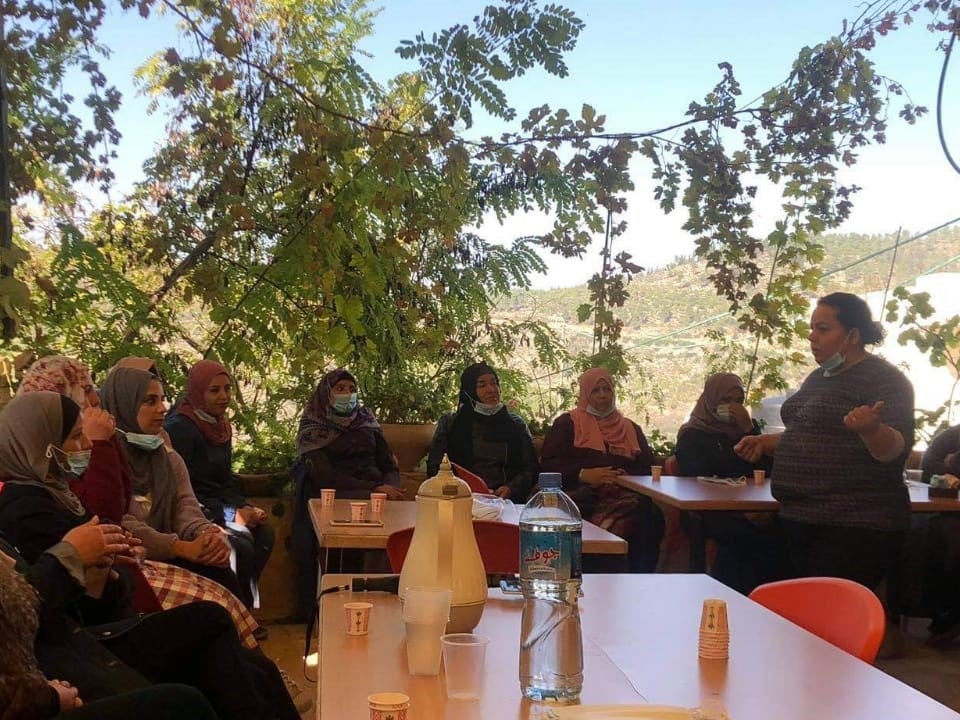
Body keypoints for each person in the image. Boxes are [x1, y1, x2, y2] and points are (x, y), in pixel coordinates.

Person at [735, 292, 914, 590]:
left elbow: (895, 449)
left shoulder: (884, 380)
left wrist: (872, 429)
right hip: (801, 518)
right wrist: (768, 443)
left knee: (828, 624)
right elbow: (812, 430)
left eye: (823, 329)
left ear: (853, 334)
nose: (812, 337)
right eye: (812, 328)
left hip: (852, 524)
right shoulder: (820, 377)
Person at [98, 366, 245, 602]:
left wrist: (206, 534)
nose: (162, 409)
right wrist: (177, 546)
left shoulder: (165, 456)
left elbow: (185, 506)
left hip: (172, 550)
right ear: (123, 404)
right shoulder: (104, 458)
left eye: (163, 400)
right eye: (149, 401)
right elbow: (121, 522)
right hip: (132, 559)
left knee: (221, 567)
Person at [287, 367, 402, 622]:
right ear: (326, 394)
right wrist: (372, 490)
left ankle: (380, 607)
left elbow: (388, 463)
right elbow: (325, 477)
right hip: (333, 497)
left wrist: (390, 488)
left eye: (351, 389)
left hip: (376, 499)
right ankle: (331, 610)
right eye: (340, 389)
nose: (347, 394)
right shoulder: (313, 426)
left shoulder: (366, 422)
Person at [165, 360, 275, 614]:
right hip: (197, 513)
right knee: (241, 547)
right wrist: (230, 515)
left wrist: (244, 507)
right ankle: (236, 612)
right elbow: (186, 492)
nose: (224, 396)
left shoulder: (220, 426)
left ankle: (244, 608)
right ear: (198, 392)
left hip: (219, 506)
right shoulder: (181, 428)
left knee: (265, 534)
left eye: (227, 389)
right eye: (214, 391)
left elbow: (225, 479)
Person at [539, 367, 665, 572]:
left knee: (650, 519)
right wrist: (583, 475)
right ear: (585, 394)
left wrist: (626, 478)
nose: (602, 395)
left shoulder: (630, 428)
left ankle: (637, 584)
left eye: (607, 389)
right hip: (581, 496)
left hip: (625, 500)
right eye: (595, 391)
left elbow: (646, 467)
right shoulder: (567, 424)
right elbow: (549, 465)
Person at [675, 373, 784, 593]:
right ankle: (728, 597)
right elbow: (697, 476)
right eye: (726, 401)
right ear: (711, 400)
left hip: (749, 507)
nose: (732, 407)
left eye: (738, 401)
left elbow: (764, 470)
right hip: (711, 511)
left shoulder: (747, 434)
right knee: (741, 537)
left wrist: (747, 430)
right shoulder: (693, 434)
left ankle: (769, 600)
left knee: (781, 535)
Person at [426, 362, 537, 500]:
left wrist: (510, 488)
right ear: (469, 391)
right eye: (482, 385)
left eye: (494, 383)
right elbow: (434, 467)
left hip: (506, 501)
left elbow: (530, 469)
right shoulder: (451, 423)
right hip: (460, 499)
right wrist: (461, 491)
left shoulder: (515, 424)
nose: (491, 390)